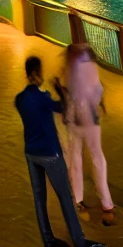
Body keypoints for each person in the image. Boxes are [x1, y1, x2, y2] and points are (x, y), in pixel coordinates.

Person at [15, 54, 103, 247]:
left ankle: (48, 240)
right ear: (37, 73)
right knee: (65, 196)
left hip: (31, 153)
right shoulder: (43, 98)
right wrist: (60, 89)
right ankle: (79, 242)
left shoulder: (19, 99)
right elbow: (63, 107)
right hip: (50, 154)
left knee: (39, 199)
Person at [58, 43, 114, 225]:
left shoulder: (70, 69)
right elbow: (97, 91)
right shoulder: (86, 68)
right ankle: (106, 204)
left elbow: (70, 95)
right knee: (96, 159)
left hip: (76, 123)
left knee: (76, 160)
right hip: (87, 122)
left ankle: (79, 200)